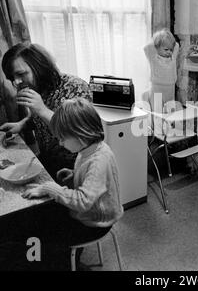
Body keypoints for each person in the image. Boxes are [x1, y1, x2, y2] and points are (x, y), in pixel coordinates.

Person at [22, 97, 124, 269]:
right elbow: (93, 182)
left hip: (95, 222)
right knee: (44, 214)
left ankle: (65, 264)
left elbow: (83, 201)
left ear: (81, 135)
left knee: (46, 229)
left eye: (62, 138)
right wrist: (75, 174)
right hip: (93, 211)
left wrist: (51, 188)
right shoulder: (90, 149)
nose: (60, 143)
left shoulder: (98, 161)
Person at [0, 42, 92, 178]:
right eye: (13, 78)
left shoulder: (75, 87)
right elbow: (38, 119)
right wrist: (22, 125)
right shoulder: (38, 87)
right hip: (48, 161)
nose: (17, 82)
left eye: (21, 74)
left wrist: (42, 109)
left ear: (39, 66)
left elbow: (78, 133)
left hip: (75, 168)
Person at [144, 28, 180, 111]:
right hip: (157, 89)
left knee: (170, 112)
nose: (169, 52)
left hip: (170, 90)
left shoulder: (173, 57)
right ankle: (157, 124)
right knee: (157, 112)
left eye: (171, 50)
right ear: (156, 48)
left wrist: (169, 44)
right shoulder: (153, 57)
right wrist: (158, 41)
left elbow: (176, 45)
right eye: (166, 49)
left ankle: (168, 124)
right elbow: (147, 47)